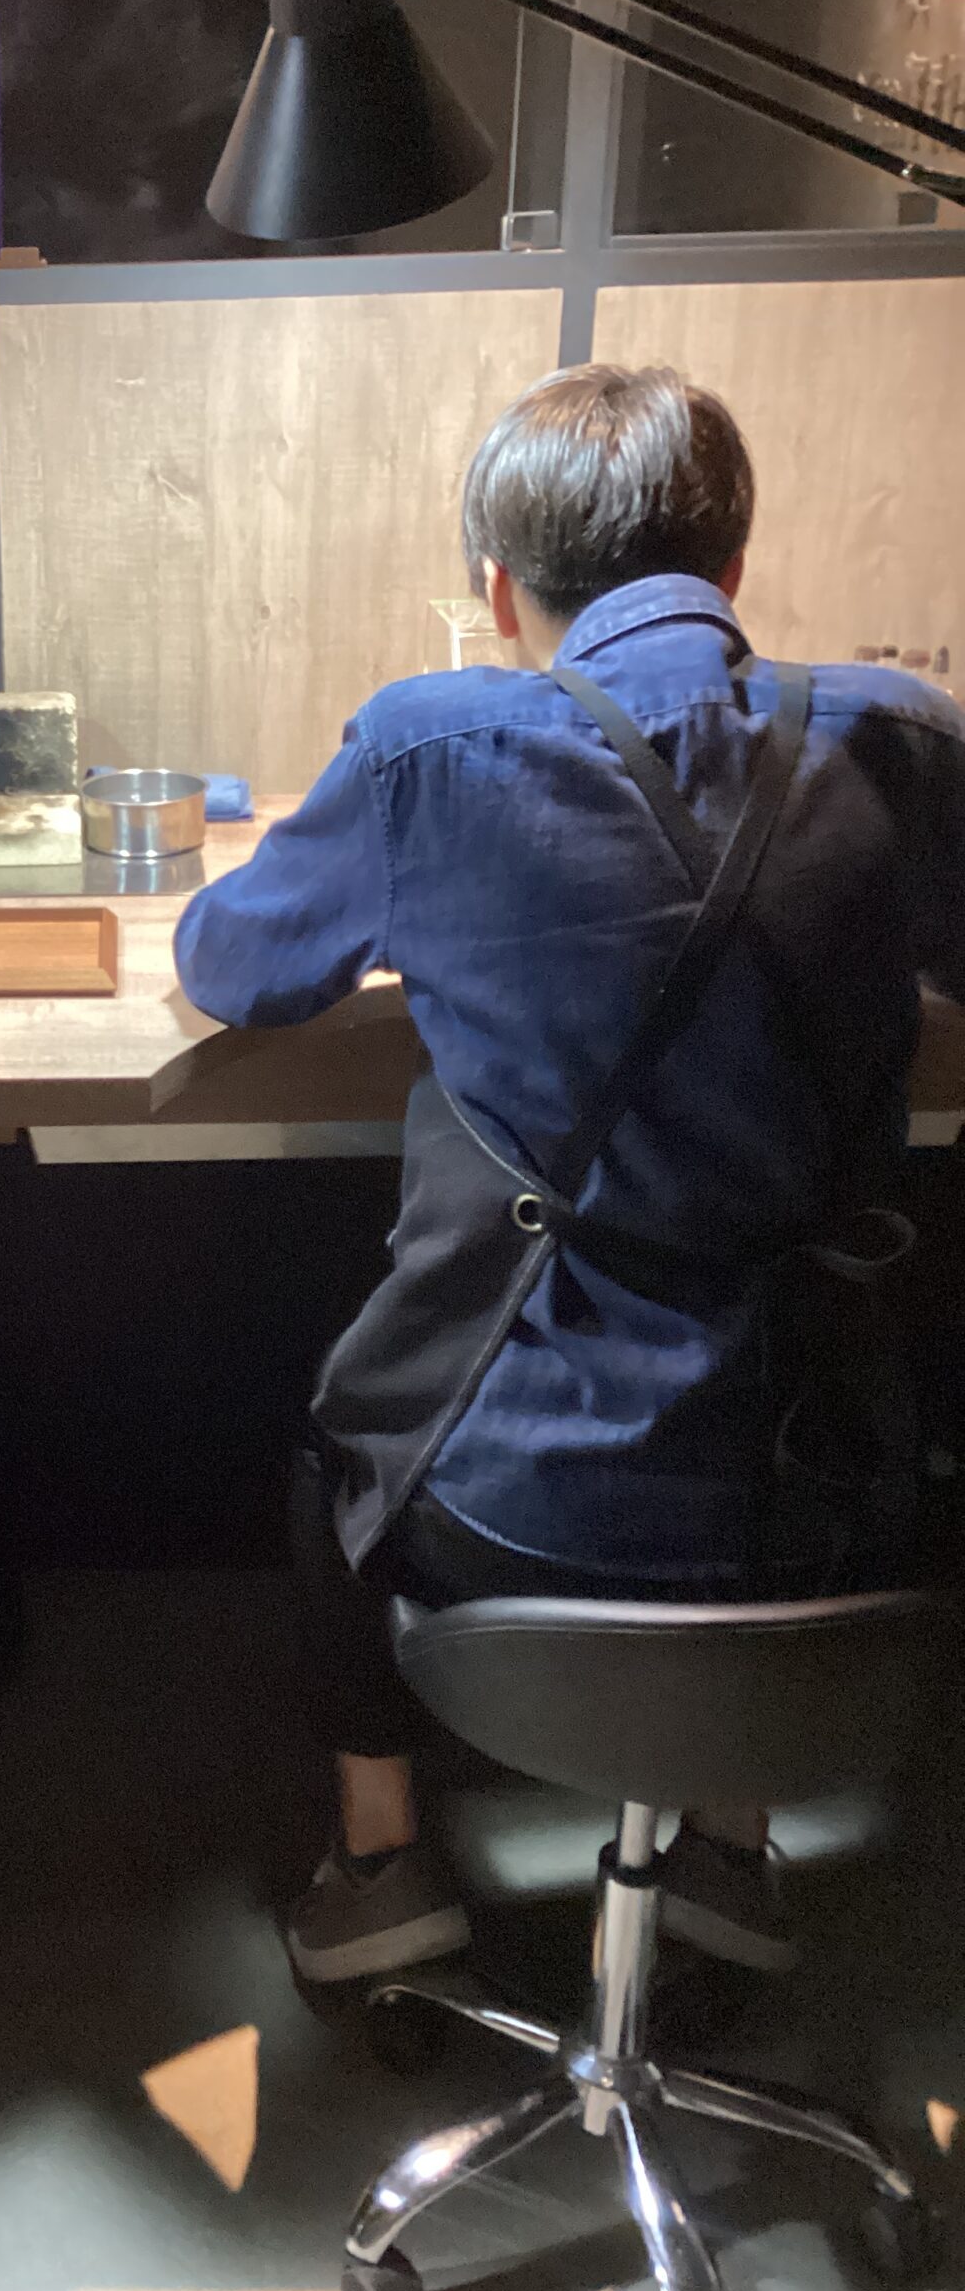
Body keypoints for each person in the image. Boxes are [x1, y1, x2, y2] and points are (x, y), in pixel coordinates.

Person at [175, 365, 965, 1989]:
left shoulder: (432, 744)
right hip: (841, 1487)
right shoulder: (905, 740)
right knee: (778, 1372)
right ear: (734, 567)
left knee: (343, 1449)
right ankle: (729, 1850)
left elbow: (232, 965)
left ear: (497, 589)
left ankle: (381, 1870)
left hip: (521, 1510)